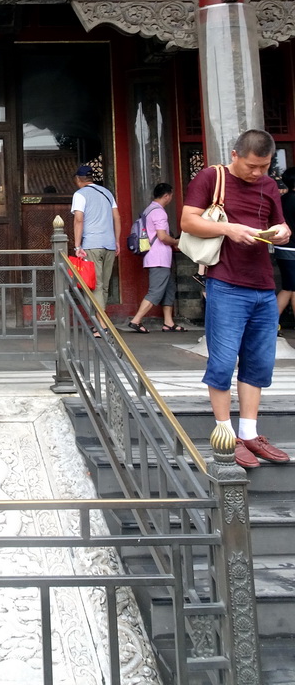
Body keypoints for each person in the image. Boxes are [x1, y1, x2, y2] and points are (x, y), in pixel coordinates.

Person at [181, 129, 291, 468]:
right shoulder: (211, 177)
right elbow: (187, 220)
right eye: (251, 166)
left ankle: (249, 432)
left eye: (265, 166)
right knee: (223, 361)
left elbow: (280, 223)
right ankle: (224, 433)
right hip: (226, 283)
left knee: (259, 363)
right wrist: (229, 229)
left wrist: (283, 231)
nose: (258, 173)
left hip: (262, 284)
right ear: (234, 155)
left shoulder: (269, 186)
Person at [127, 183, 186, 334]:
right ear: (166, 195)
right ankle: (136, 320)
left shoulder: (148, 209)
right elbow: (162, 236)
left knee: (169, 289)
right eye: (171, 195)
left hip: (155, 256)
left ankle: (168, 322)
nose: (171, 198)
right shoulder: (159, 212)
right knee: (156, 291)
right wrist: (176, 242)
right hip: (159, 257)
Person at [71, 164, 120, 317]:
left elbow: (79, 220)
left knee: (95, 286)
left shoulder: (80, 194)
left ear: (79, 179)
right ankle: (101, 323)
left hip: (92, 244)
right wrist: (117, 241)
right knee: (104, 286)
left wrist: (77, 246)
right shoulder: (107, 193)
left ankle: (102, 326)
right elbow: (117, 217)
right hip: (110, 245)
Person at [274, 167, 295, 331]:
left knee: (290, 287)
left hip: (282, 248)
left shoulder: (282, 200)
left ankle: (270, 324)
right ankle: (269, 323)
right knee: (290, 288)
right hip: (292, 249)